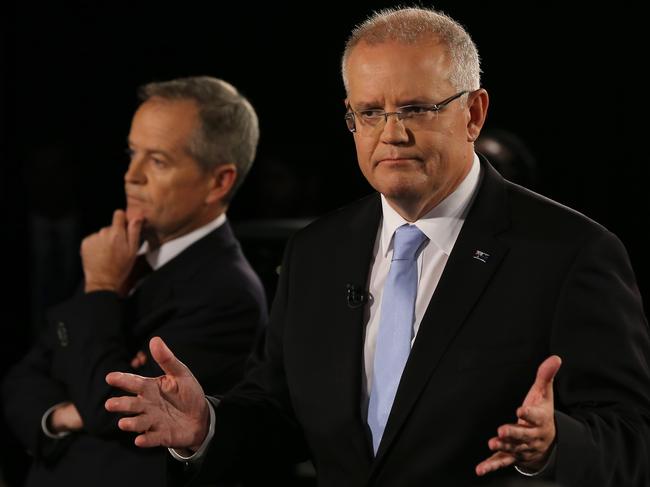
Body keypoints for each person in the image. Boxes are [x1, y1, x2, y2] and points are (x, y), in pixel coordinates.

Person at [105, 8, 650, 487]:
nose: (391, 134)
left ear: (474, 113)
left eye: (415, 109)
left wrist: (553, 446)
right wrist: (208, 426)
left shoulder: (570, 252)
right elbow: (277, 413)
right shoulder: (315, 253)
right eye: (370, 113)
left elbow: (631, 439)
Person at [2, 76, 268, 486]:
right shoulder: (122, 252)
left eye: (157, 161)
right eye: (132, 153)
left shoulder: (228, 294)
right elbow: (22, 380)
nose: (131, 175)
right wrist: (61, 415)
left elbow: (115, 415)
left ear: (219, 182)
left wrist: (101, 290)